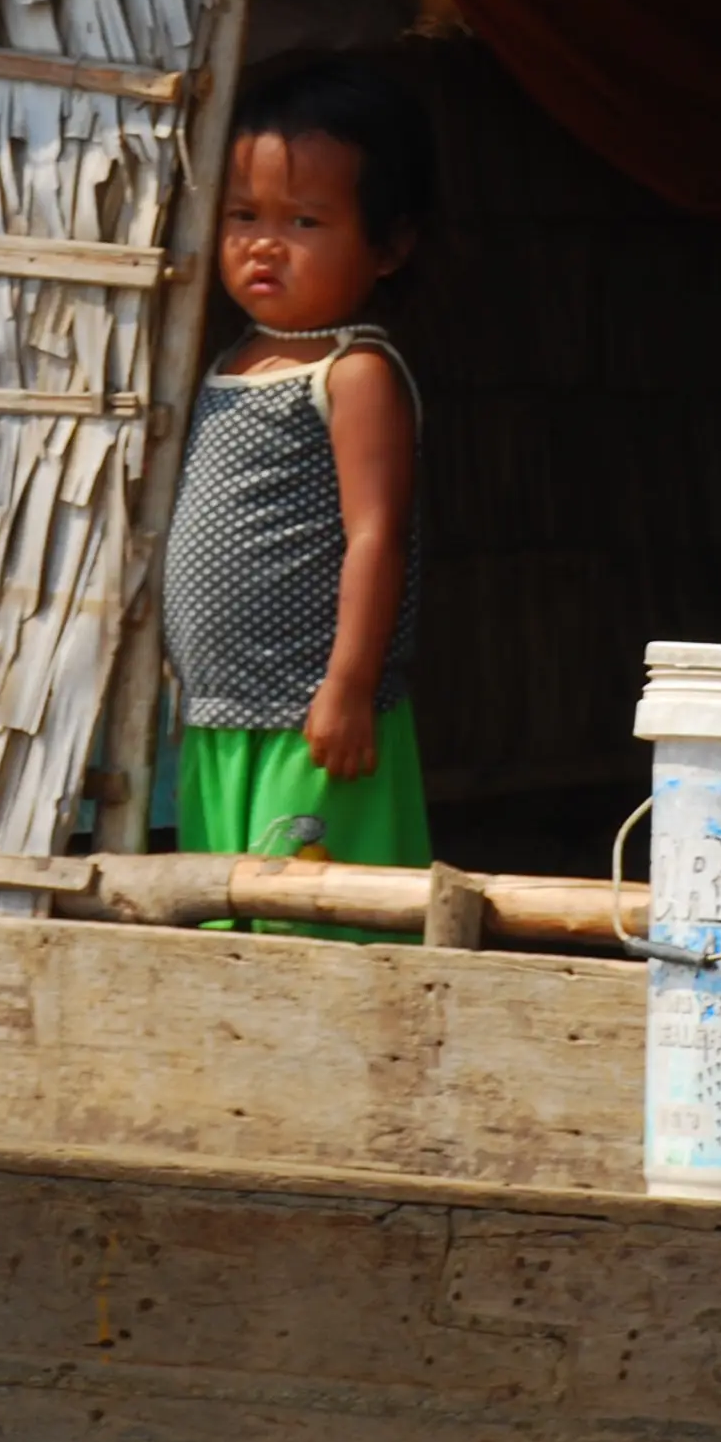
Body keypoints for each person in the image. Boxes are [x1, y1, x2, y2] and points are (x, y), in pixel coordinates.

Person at [159, 54, 436, 928]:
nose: (262, 243)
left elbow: (375, 536)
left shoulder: (353, 372)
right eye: (244, 215)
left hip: (311, 716)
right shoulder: (226, 360)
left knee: (312, 921)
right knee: (223, 912)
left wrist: (348, 687)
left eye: (304, 219)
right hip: (217, 712)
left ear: (388, 245)